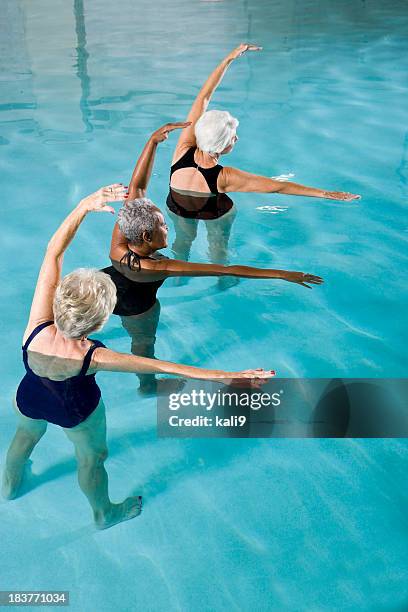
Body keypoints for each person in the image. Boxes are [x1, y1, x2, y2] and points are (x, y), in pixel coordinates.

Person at [1, 184, 274, 530]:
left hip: (28, 397)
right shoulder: (92, 355)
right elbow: (161, 366)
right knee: (91, 458)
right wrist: (227, 376)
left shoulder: (36, 325)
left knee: (25, 434)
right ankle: (103, 514)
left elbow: (53, 252)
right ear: (100, 321)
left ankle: (9, 485)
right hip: (76, 413)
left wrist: (84, 206)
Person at [102, 123, 324, 396]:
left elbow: (137, 185)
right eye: (163, 224)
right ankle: (147, 386)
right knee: (143, 341)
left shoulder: (122, 235)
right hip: (137, 305)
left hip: (105, 284)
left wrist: (153, 142)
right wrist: (281, 274)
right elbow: (226, 269)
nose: (167, 226)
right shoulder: (160, 266)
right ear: (146, 236)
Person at [167, 43, 361, 260]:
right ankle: (222, 277)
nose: (237, 138)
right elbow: (278, 187)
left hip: (178, 207)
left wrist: (228, 59)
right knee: (219, 247)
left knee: (182, 243)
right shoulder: (224, 177)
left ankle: (177, 275)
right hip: (212, 212)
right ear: (222, 147)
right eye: (233, 137)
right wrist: (325, 193)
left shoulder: (182, 148)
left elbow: (203, 97)